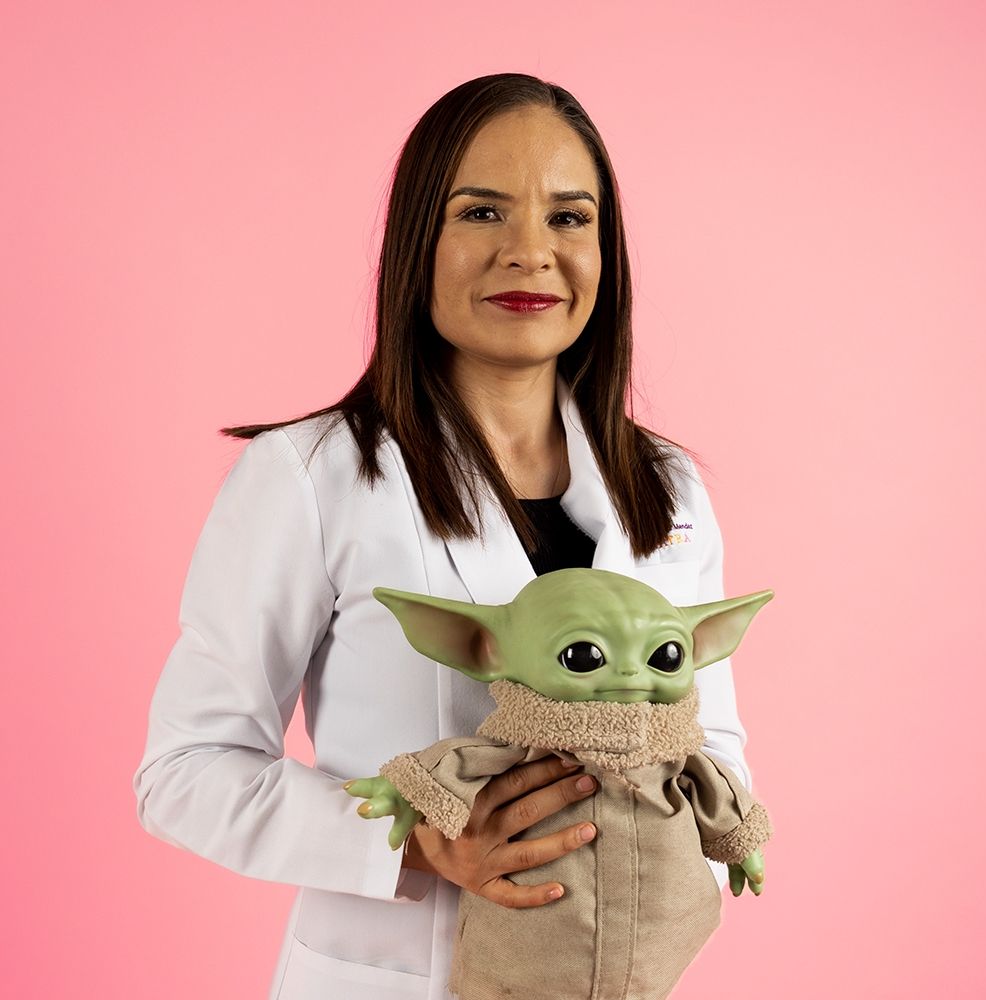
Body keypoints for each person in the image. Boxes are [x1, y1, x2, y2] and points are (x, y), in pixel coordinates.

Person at [133, 72, 760, 1000]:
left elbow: (713, 749)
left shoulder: (665, 486)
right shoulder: (310, 476)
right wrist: (419, 841)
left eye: (569, 218)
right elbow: (185, 773)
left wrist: (658, 886)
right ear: (417, 240)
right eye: (481, 212)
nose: (530, 252)